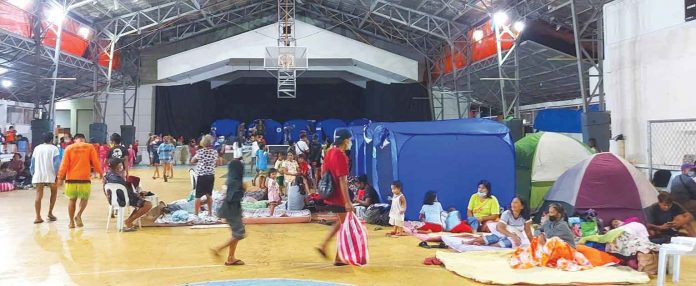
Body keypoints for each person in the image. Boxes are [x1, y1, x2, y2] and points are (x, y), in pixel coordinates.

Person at [315, 129, 354, 266]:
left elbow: (324, 172)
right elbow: (342, 180)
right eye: (349, 139)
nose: (350, 142)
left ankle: (325, 246)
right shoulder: (341, 156)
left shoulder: (329, 152)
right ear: (345, 140)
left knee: (341, 223)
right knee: (347, 226)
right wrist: (348, 202)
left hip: (330, 195)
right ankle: (338, 256)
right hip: (339, 196)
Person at [57, 133, 102, 229]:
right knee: (84, 198)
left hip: (71, 179)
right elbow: (95, 162)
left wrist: (60, 177)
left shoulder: (69, 148)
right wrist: (101, 173)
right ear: (84, 139)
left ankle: (71, 222)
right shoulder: (90, 147)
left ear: (75, 139)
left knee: (72, 200)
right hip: (84, 179)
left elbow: (64, 164)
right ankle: (79, 215)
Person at [212, 159, 246, 266]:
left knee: (235, 234)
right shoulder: (234, 182)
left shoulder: (231, 179)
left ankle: (231, 258)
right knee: (239, 234)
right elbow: (232, 197)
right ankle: (219, 249)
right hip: (232, 210)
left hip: (231, 209)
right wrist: (244, 190)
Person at [104, 158, 152, 231]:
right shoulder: (117, 179)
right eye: (120, 164)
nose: (122, 166)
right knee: (147, 204)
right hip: (121, 200)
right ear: (117, 166)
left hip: (113, 199)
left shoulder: (107, 175)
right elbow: (125, 193)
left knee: (139, 204)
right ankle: (128, 221)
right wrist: (138, 196)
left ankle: (129, 221)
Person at [30, 133, 60, 224]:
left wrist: (33, 174)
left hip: (39, 175)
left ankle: (38, 217)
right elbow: (57, 164)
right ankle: (50, 213)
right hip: (51, 175)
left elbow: (32, 164)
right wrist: (57, 175)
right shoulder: (54, 149)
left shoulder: (37, 148)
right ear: (52, 139)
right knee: (54, 194)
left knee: (38, 195)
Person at [191, 135, 217, 216]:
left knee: (198, 196)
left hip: (202, 176)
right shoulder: (214, 152)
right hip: (211, 175)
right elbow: (217, 163)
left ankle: (196, 213)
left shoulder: (200, 152)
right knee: (209, 195)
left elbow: (192, 161)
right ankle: (210, 213)